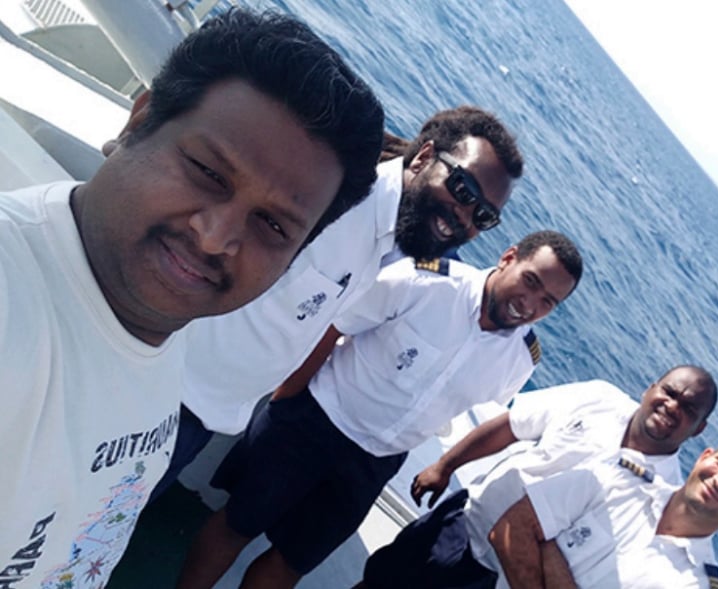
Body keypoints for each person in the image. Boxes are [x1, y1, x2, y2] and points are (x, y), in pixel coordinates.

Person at [0, 9, 383, 587]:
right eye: (207, 171)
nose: (214, 238)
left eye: (272, 226)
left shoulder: (157, 331)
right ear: (139, 121)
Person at [152, 106, 525, 499]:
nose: (465, 216)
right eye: (463, 189)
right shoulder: (336, 197)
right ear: (424, 157)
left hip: (213, 409)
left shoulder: (395, 245)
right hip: (169, 389)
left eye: (483, 216)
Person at [177, 230, 584, 588]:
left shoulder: (521, 360)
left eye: (547, 302)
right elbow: (338, 325)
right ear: (509, 257)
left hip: (374, 463)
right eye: (530, 281)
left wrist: (443, 465)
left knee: (291, 562)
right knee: (238, 523)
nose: (529, 304)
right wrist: (287, 398)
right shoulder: (426, 282)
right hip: (316, 419)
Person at [358, 366, 718, 588]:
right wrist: (446, 465)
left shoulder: (660, 497)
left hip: (498, 580)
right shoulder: (598, 397)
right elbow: (512, 427)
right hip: (463, 522)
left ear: (699, 429)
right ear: (650, 388)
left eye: (688, 408)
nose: (672, 406)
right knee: (377, 582)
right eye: (669, 392)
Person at [490, 437, 718, 588]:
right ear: (705, 457)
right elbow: (510, 529)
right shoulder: (616, 477)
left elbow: (526, 532)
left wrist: (548, 546)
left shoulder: (694, 583)